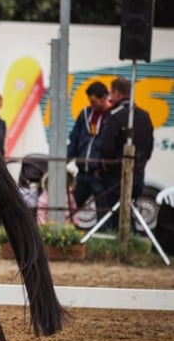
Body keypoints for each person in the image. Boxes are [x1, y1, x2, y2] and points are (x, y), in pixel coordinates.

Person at [98, 76, 154, 230]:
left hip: (116, 176)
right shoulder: (144, 116)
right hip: (139, 174)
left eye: (111, 93)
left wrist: (105, 166)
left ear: (116, 93)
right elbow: (149, 146)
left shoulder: (116, 115)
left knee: (116, 215)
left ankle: (120, 246)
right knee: (129, 211)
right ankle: (131, 243)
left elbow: (106, 146)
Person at [66, 80, 111, 216]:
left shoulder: (113, 116)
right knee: (71, 208)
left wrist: (103, 167)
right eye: (89, 101)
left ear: (104, 98)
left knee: (103, 211)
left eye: (93, 101)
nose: (91, 104)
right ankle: (64, 235)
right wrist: (66, 159)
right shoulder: (85, 114)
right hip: (82, 173)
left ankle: (104, 234)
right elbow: (74, 139)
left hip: (100, 175)